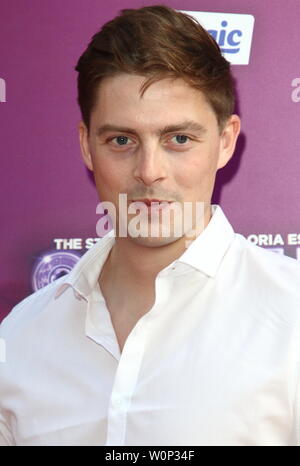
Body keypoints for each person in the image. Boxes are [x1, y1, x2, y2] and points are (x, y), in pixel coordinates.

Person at [1, 5, 300, 447]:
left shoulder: (291, 319)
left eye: (179, 139)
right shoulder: (20, 339)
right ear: (87, 146)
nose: (149, 170)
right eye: (121, 140)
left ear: (226, 141)